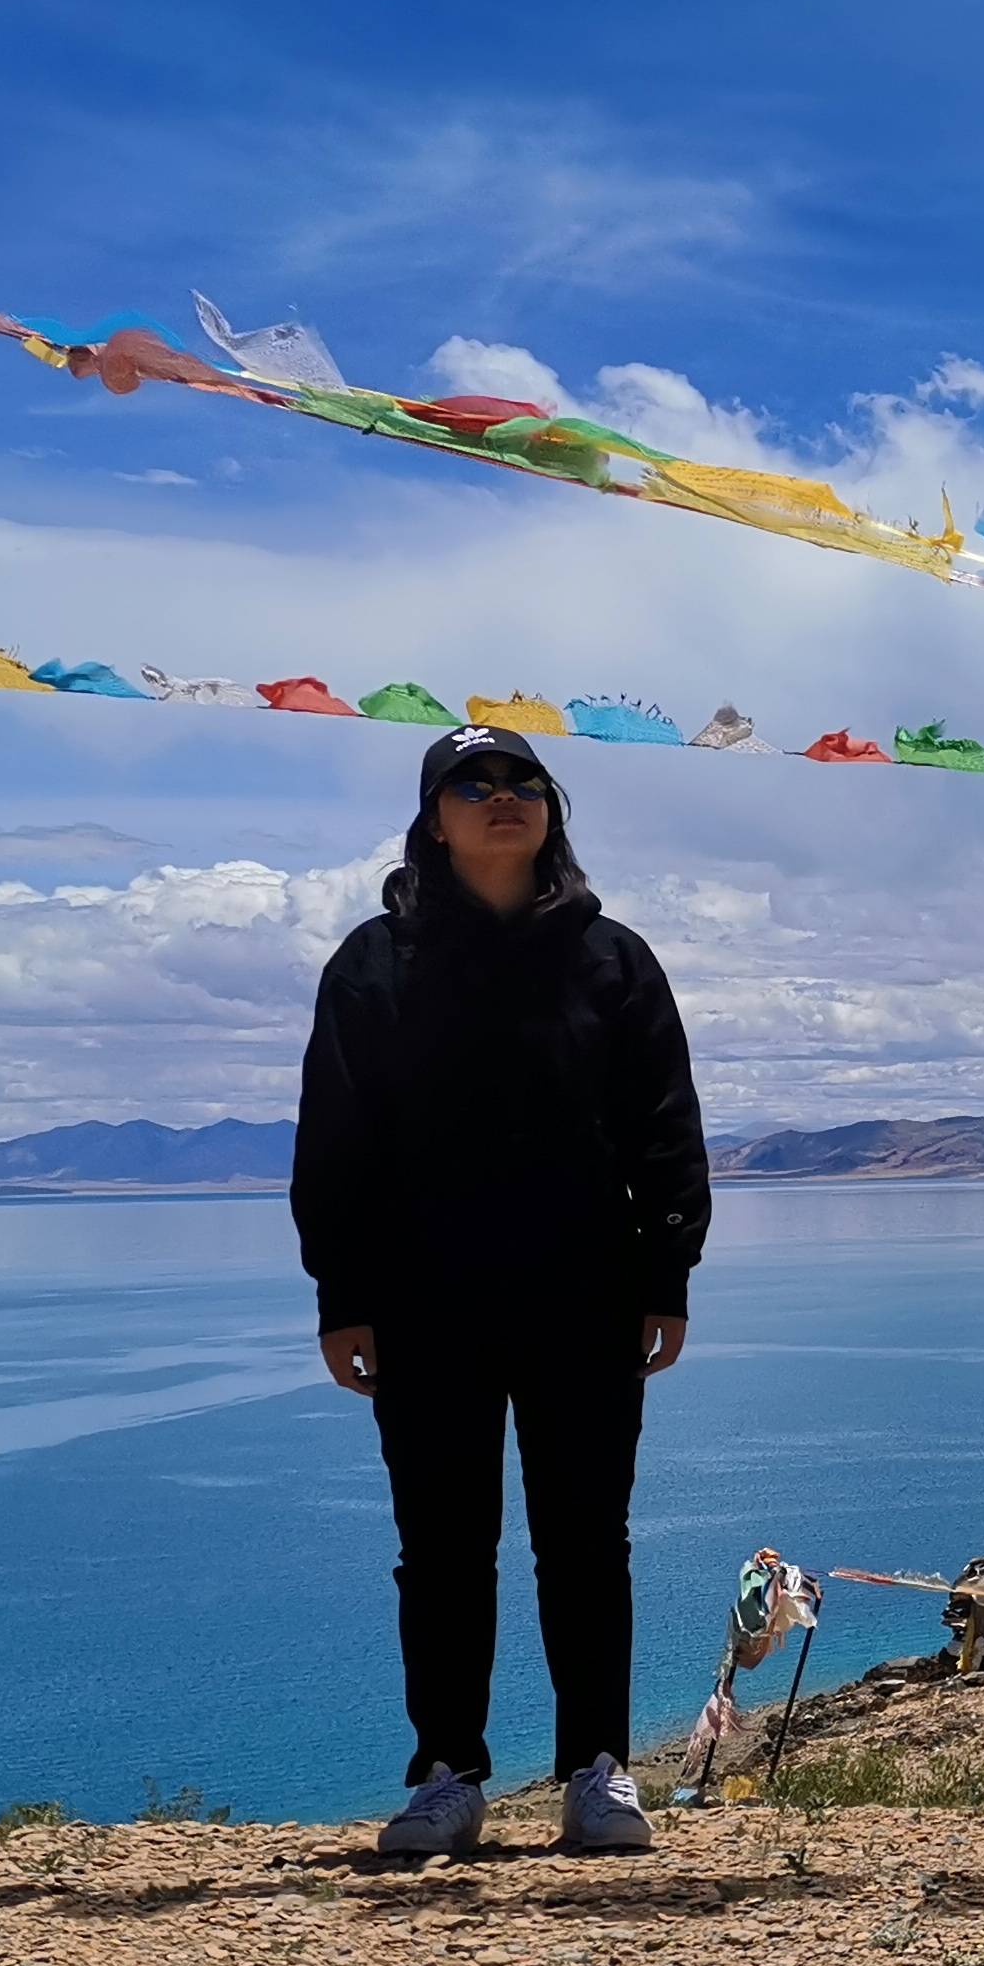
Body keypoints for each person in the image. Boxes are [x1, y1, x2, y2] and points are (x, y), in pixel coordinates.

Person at [293, 726, 709, 1855]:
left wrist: (665, 1271)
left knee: (586, 1540)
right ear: (434, 820)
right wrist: (342, 1294)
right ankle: (447, 1774)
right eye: (471, 785)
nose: (501, 799)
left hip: (586, 1294)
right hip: (426, 1305)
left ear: (549, 810)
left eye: (523, 782)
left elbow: (664, 1128)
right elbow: (335, 1140)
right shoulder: (373, 967)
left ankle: (596, 1771)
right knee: (440, 1545)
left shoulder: (612, 959)